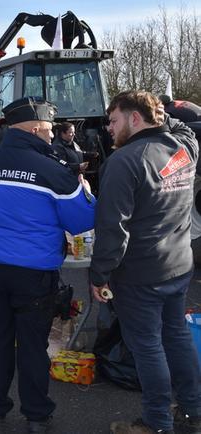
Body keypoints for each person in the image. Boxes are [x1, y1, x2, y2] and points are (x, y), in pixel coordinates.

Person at [0, 96, 96, 434]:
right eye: (49, 130)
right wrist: (88, 192)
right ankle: (36, 416)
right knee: (33, 346)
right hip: (34, 272)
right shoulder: (54, 171)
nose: (51, 136)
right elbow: (82, 221)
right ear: (36, 129)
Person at [89, 90, 201, 434]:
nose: (109, 128)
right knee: (176, 336)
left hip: (141, 273)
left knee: (148, 347)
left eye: (114, 120)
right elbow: (185, 127)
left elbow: (112, 229)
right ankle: (194, 412)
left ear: (134, 118)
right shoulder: (184, 148)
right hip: (179, 264)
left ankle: (156, 422)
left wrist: (99, 274)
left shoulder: (124, 161)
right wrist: (162, 113)